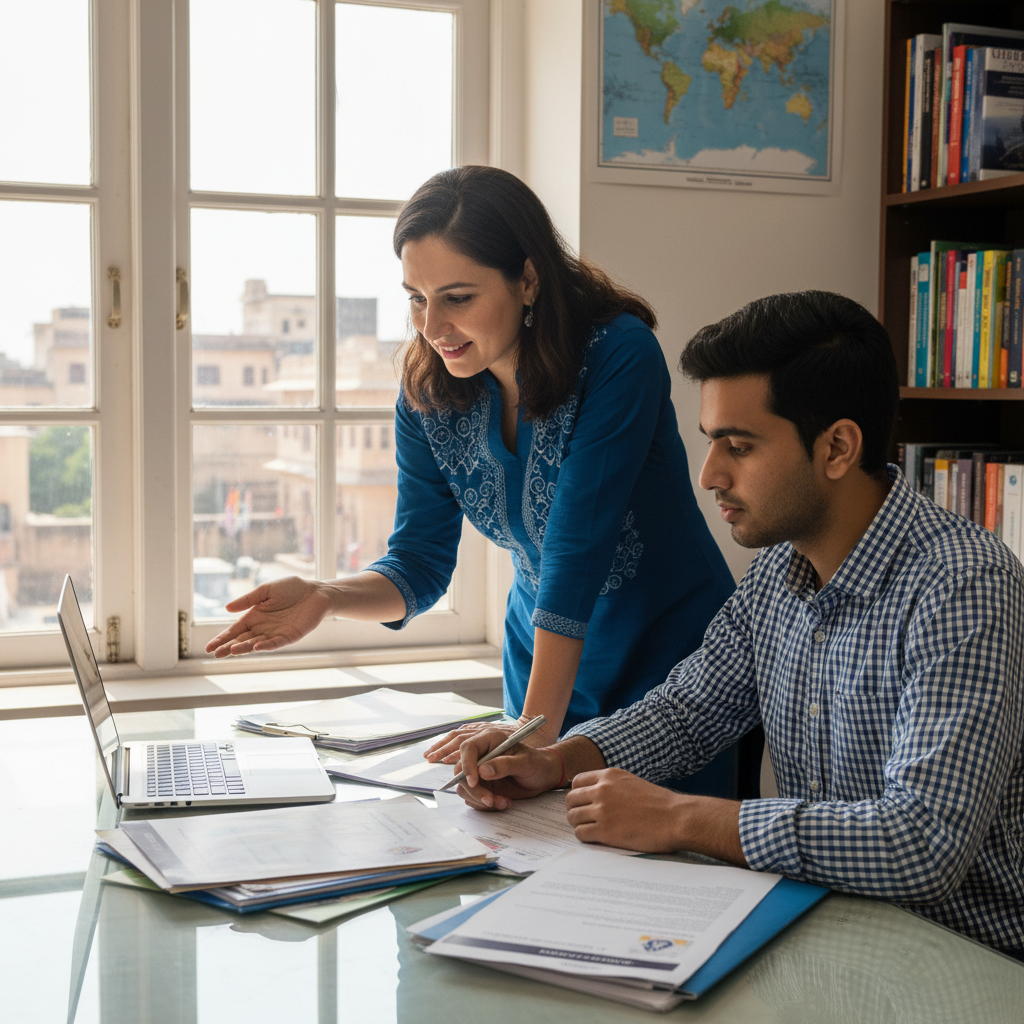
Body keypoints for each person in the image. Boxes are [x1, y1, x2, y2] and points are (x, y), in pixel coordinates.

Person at [447, 290, 1024, 957]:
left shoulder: (964, 587)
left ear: (838, 447)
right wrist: (555, 762)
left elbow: (922, 843)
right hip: (828, 931)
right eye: (711, 441)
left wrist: (682, 817)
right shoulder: (779, 569)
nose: (709, 474)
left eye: (739, 446)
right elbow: (687, 713)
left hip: (962, 960)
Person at [206, 165, 736, 758]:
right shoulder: (428, 393)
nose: (432, 327)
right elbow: (419, 562)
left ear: (528, 279)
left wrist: (531, 728)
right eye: (417, 299)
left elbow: (576, 550)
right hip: (540, 672)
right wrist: (327, 595)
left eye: (457, 298)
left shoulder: (619, 355)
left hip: (671, 671)